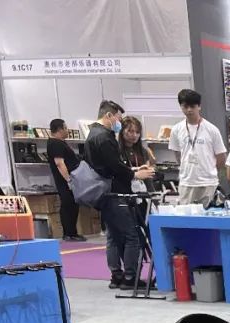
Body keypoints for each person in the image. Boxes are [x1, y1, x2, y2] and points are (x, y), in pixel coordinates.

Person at [86, 100, 155, 289]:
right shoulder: (104, 137)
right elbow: (114, 166)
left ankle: (117, 275)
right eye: (118, 118)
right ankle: (130, 277)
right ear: (109, 115)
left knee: (114, 236)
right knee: (131, 236)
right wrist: (134, 174)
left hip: (106, 192)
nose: (119, 122)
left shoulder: (93, 135)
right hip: (116, 193)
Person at [168, 89, 226, 205]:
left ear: (199, 106)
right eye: (185, 106)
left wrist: (209, 170)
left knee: (208, 215)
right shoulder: (176, 130)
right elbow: (178, 154)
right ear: (181, 107)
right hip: (186, 182)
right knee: (186, 214)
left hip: (208, 182)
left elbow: (221, 157)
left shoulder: (212, 130)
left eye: (192, 106)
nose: (189, 110)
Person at [45, 119, 85, 242]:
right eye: (66, 128)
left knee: (72, 204)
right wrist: (68, 180)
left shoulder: (59, 143)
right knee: (68, 204)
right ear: (60, 129)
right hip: (65, 180)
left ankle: (72, 232)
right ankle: (69, 233)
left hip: (69, 178)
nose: (67, 131)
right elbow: (59, 163)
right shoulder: (56, 144)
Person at [119, 115, 157, 193]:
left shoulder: (143, 151)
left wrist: (152, 194)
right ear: (122, 131)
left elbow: (147, 176)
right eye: (130, 131)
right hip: (123, 191)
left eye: (137, 132)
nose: (135, 135)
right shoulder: (116, 150)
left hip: (141, 191)